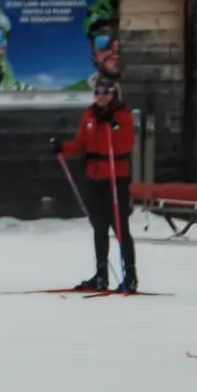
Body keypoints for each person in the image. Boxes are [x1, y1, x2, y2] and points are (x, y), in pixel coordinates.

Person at [52, 73, 136, 292]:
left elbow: (126, 140)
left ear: (113, 94)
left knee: (119, 227)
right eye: (97, 92)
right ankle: (101, 274)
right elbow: (80, 145)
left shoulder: (122, 116)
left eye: (105, 92)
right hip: (94, 177)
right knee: (99, 227)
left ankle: (130, 274)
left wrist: (112, 123)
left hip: (116, 177)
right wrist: (63, 147)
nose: (101, 97)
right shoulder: (89, 116)